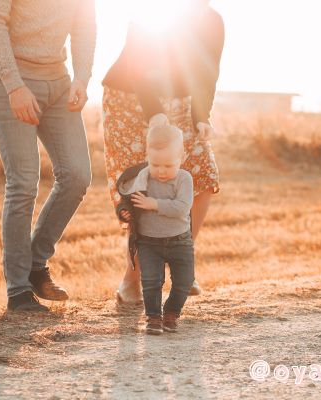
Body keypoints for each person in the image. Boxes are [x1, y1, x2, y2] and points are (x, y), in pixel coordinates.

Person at [101, 0, 224, 303]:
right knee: (142, 185)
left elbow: (207, 74)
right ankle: (133, 279)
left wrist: (202, 117)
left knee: (203, 173)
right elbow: (138, 62)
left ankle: (181, 260)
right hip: (129, 99)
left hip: (180, 101)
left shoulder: (212, 20)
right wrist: (154, 111)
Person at [0, 0, 96, 312]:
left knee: (77, 175)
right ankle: (18, 291)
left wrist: (82, 78)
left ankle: (34, 263)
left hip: (58, 80)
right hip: (9, 78)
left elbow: (84, 26)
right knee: (24, 182)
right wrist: (14, 86)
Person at [115, 125, 195, 334]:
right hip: (149, 242)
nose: (161, 170)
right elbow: (127, 202)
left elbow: (182, 208)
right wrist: (125, 213)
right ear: (147, 156)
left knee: (184, 282)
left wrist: (154, 204)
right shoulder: (142, 178)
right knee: (151, 282)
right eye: (155, 164)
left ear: (182, 157)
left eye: (168, 165)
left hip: (180, 241)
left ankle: (171, 313)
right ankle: (153, 318)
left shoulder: (184, 178)